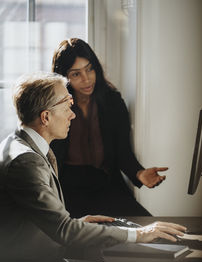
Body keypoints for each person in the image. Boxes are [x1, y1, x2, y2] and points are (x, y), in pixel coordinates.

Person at [0, 72, 186, 262]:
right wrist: (139, 234)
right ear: (46, 117)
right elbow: (63, 230)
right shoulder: (25, 162)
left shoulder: (19, 144)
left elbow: (41, 223)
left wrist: (80, 223)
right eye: (67, 105)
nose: (73, 114)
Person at [51, 38, 166, 217]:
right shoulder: (55, 107)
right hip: (68, 192)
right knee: (81, 238)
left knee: (149, 226)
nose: (87, 78)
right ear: (64, 78)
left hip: (107, 186)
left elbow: (123, 152)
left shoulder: (113, 102)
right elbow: (50, 157)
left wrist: (140, 173)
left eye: (89, 69)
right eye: (76, 74)